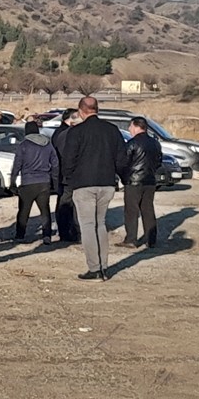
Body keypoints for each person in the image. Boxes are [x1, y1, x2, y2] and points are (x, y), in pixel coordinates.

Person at [59, 97, 128, 281]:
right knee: (101, 224)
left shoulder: (76, 132)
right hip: (106, 183)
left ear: (81, 111)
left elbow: (68, 160)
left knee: (88, 225)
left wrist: (69, 180)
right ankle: (104, 267)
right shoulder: (112, 130)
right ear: (97, 109)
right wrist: (123, 178)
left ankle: (94, 268)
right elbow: (122, 159)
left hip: (84, 184)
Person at [10, 120, 58, 243]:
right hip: (44, 182)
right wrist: (54, 181)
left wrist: (13, 182)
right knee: (45, 210)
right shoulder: (47, 143)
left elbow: (17, 164)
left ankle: (20, 235)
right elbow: (55, 163)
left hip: (28, 182)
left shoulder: (24, 145)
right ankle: (47, 236)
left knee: (24, 211)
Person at [119, 116, 162, 248]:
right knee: (148, 209)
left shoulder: (132, 143)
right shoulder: (155, 143)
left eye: (131, 126)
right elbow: (158, 161)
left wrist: (124, 177)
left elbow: (123, 162)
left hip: (134, 181)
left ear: (137, 126)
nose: (129, 129)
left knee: (131, 210)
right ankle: (151, 239)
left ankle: (131, 238)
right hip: (150, 180)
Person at [50, 109, 81, 243]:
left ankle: (67, 231)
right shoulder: (64, 135)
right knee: (67, 205)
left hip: (63, 175)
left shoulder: (60, 133)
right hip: (66, 176)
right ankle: (68, 232)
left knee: (66, 204)